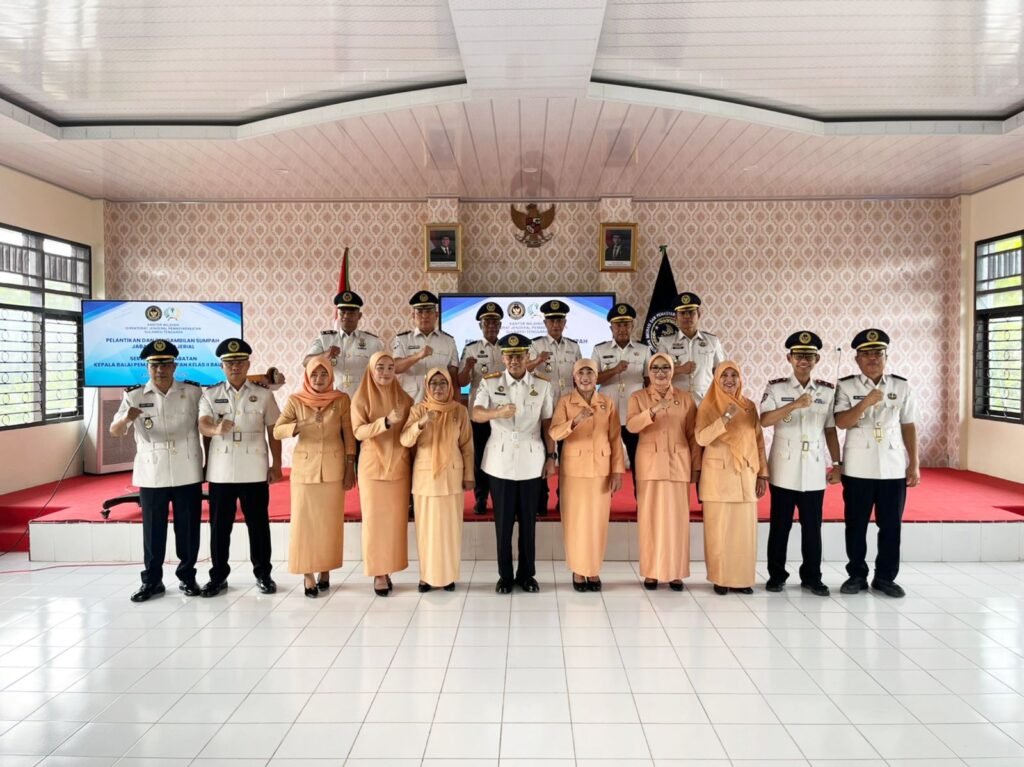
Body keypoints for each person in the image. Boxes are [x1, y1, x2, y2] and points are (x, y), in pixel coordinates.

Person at [109, 340, 203, 602]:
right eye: (154, 365)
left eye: (165, 364)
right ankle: (152, 581)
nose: (160, 370)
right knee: (153, 530)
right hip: (152, 472)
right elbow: (115, 431)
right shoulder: (134, 395)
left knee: (188, 528)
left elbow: (206, 423)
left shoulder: (192, 392)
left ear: (174, 366)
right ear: (147, 368)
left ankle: (187, 577)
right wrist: (127, 418)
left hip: (187, 468)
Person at [834, 328, 919, 598]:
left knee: (891, 526)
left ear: (886, 357)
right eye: (867, 354)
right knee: (856, 524)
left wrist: (914, 463)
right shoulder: (846, 386)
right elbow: (841, 422)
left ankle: (885, 577)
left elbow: (908, 425)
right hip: (858, 466)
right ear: (857, 359)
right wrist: (865, 403)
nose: (872, 358)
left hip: (892, 466)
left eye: (878, 353)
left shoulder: (901, 386)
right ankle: (856, 575)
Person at [197, 338, 283, 597]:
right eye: (229, 363)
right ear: (222, 366)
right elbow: (203, 424)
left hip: (254, 467)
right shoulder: (210, 394)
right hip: (221, 469)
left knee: (258, 525)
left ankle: (263, 574)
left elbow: (273, 430)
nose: (234, 366)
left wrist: (277, 465)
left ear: (248, 364)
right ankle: (218, 576)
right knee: (219, 527)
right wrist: (216, 429)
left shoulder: (263, 394)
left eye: (239, 362)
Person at [472, 333, 556, 593]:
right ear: (503, 357)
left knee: (528, 523)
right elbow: (476, 414)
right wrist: (497, 412)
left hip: (531, 460)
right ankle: (505, 576)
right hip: (500, 461)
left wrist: (551, 457)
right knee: (504, 523)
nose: (514, 360)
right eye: (509, 356)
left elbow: (547, 422)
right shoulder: (490, 382)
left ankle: (527, 575)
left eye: (519, 355)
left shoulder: (542, 384)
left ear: (528, 356)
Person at [760, 331, 841, 597]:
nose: (803, 360)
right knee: (780, 525)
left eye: (809, 355)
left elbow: (830, 429)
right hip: (784, 467)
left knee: (812, 527)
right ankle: (776, 575)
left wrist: (837, 463)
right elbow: (764, 420)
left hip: (814, 467)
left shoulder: (826, 391)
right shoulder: (776, 387)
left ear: (816, 359)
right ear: (789, 358)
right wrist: (793, 405)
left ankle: (812, 577)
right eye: (798, 355)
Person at [273, 355, 356, 597]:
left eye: (323, 374)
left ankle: (325, 570)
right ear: (307, 377)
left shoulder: (341, 399)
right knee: (305, 524)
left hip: (333, 469)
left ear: (330, 376)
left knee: (329, 523)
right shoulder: (296, 400)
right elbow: (277, 430)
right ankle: (307, 573)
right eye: (314, 374)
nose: (319, 379)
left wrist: (350, 466)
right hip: (305, 471)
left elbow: (349, 434)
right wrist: (298, 426)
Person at [626, 353, 701, 591]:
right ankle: (652, 572)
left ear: (672, 371)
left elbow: (693, 435)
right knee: (650, 520)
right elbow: (632, 426)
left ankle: (675, 573)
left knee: (677, 520)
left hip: (678, 464)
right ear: (649, 372)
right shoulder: (638, 397)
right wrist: (653, 410)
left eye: (665, 368)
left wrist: (696, 467)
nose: (660, 372)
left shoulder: (685, 398)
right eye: (655, 368)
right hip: (649, 466)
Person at [550, 359, 624, 591]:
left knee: (597, 521)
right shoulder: (565, 402)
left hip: (601, 470)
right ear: (574, 377)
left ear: (596, 377)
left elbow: (615, 438)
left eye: (590, 373)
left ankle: (593, 570)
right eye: (581, 373)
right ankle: (578, 570)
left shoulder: (607, 403)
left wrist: (617, 470)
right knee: (576, 521)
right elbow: (554, 433)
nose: (585, 377)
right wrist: (575, 421)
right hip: (574, 472)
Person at [697, 361, 769, 595]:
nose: (729, 380)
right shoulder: (707, 406)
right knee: (719, 531)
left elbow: (758, 441)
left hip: (745, 476)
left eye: (734, 375)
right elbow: (701, 438)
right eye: (724, 375)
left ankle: (742, 579)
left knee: (744, 532)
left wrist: (762, 474)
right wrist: (725, 418)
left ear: (740, 379)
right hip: (718, 478)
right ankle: (720, 578)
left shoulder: (748, 406)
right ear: (716, 379)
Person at [401, 368, 474, 591]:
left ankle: (448, 576)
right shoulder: (418, 410)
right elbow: (405, 440)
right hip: (426, 479)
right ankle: (426, 576)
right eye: (434, 383)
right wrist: (421, 423)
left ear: (450, 386)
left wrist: (469, 475)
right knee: (427, 529)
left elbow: (467, 445)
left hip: (452, 477)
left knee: (450, 529)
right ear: (427, 386)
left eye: (443, 383)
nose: (439, 388)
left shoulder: (459, 411)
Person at [350, 351, 414, 596]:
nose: (386, 372)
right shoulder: (361, 398)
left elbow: (411, 430)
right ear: (371, 369)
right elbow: (358, 432)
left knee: (395, 521)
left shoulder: (404, 398)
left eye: (390, 367)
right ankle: (378, 572)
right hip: (373, 468)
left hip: (399, 466)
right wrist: (384, 422)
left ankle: (390, 568)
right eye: (380, 367)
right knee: (375, 522)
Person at [528, 299, 581, 514]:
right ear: (545, 323)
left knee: (568, 455)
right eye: (551, 321)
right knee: (543, 454)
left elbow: (580, 376)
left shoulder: (573, 346)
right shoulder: (535, 345)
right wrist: (537, 361)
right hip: (544, 406)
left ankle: (564, 498)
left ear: (565, 322)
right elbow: (523, 370)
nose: (556, 325)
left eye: (559, 321)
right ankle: (541, 499)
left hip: (568, 406)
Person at [594, 302, 650, 501]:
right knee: (604, 457)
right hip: (608, 414)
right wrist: (615, 370)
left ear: (632, 326)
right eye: (618, 325)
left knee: (637, 459)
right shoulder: (599, 350)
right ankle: (601, 500)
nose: (622, 329)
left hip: (633, 414)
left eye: (626, 324)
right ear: (611, 328)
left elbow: (649, 381)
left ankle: (641, 500)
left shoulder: (643, 350)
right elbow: (594, 379)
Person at [458, 302, 505, 514]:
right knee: (480, 456)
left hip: (503, 412)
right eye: (487, 323)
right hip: (479, 412)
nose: (491, 326)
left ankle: (500, 497)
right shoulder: (471, 349)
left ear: (500, 325)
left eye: (495, 322)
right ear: (481, 326)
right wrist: (468, 367)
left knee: (501, 454)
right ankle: (481, 498)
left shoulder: (508, 347)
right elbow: (461, 381)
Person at [304, 290, 383, 400]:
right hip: (331, 398)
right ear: (338, 314)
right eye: (343, 312)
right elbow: (306, 362)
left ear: (359, 315)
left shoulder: (372, 341)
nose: (346, 316)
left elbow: (382, 371)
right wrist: (325, 355)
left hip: (362, 399)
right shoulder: (325, 339)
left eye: (351, 313)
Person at [656, 292, 726, 405]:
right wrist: (680, 369)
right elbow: (657, 374)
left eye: (691, 312)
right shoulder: (665, 343)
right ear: (675, 317)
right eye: (682, 313)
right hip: (676, 401)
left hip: (705, 401)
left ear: (699, 314)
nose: (687, 316)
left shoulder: (712, 341)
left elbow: (721, 372)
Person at [392, 291, 460, 404]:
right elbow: (395, 368)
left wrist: (457, 406)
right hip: (411, 402)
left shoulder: (448, 341)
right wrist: (418, 356)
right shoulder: (402, 339)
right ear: (413, 316)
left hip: (440, 404)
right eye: (420, 312)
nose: (424, 316)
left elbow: (454, 379)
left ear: (436, 315)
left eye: (429, 311)